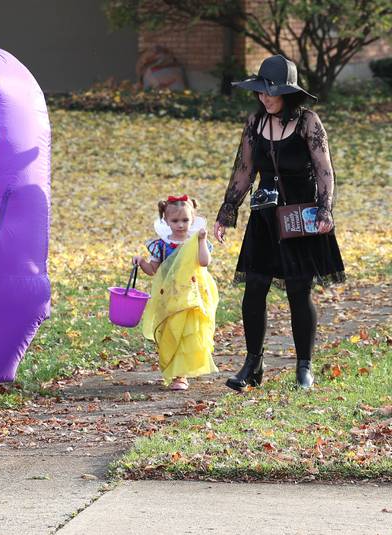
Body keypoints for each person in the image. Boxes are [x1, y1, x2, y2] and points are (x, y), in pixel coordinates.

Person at [213, 55, 345, 391]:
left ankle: (304, 368)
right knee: (254, 287)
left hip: (301, 215)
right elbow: (244, 171)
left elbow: (324, 170)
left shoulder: (307, 122)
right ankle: (252, 365)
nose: (264, 98)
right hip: (264, 217)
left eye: (271, 92)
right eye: (260, 91)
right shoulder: (255, 123)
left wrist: (325, 209)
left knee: (299, 291)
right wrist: (227, 211)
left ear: (287, 92)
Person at [134, 195, 219, 391]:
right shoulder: (162, 245)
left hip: (192, 295)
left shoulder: (196, 241)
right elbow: (153, 269)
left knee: (187, 331)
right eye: (175, 221)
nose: (181, 225)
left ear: (193, 219)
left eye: (185, 220)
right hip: (169, 295)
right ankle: (175, 371)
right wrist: (140, 262)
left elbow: (204, 262)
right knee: (171, 331)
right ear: (165, 220)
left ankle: (182, 375)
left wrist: (202, 241)